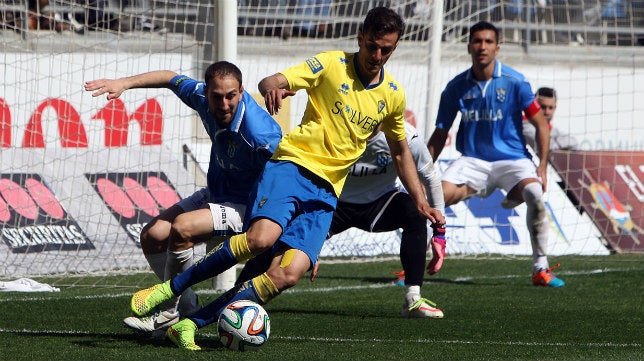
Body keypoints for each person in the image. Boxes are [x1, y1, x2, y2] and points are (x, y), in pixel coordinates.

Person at [128, 7, 445, 351]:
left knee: (287, 273)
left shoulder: (393, 94)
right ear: (360, 39)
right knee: (260, 240)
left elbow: (401, 153)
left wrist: (419, 199)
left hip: (327, 194)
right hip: (293, 167)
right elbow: (273, 81)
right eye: (373, 47)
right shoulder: (330, 63)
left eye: (387, 50)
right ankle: (167, 290)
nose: (378, 56)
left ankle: (189, 324)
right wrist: (274, 88)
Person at [84, 61, 283, 333]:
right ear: (206, 92)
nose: (224, 104)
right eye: (217, 96)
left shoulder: (260, 134)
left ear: (241, 91)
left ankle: (167, 312)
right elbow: (169, 77)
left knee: (182, 228)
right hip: (217, 193)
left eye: (231, 96)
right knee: (153, 235)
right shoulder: (200, 96)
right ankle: (188, 307)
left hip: (248, 206)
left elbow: (288, 174)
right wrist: (124, 83)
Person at [237, 121, 448, 318]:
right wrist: (308, 239)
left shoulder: (406, 137)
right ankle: (234, 298)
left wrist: (439, 233)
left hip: (380, 203)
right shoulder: (332, 131)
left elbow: (430, 178)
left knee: (413, 211)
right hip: (331, 202)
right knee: (278, 242)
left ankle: (413, 299)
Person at [426, 21, 565, 288]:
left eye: (488, 42)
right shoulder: (455, 87)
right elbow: (440, 133)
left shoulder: (515, 82)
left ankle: (540, 268)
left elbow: (540, 125)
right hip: (473, 160)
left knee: (535, 194)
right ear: (469, 46)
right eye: (477, 41)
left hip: (512, 159)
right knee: (434, 198)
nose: (482, 47)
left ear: (497, 47)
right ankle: (411, 266)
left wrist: (543, 167)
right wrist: (423, 174)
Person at [523, 87, 578, 151]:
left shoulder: (552, 129)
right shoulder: (525, 125)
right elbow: (544, 145)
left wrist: (555, 142)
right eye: (543, 107)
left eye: (551, 108)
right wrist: (557, 142)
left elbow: (573, 142)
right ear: (534, 107)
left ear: (555, 108)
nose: (547, 112)